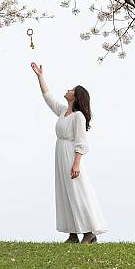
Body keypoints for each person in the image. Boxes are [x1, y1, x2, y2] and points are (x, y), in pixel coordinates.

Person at [31, 62, 108, 244]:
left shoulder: (78, 116)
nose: (67, 90)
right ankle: (73, 233)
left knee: (78, 191)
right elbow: (48, 97)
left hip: (71, 155)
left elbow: (81, 141)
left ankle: (89, 232)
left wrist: (76, 163)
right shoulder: (63, 112)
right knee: (64, 192)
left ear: (76, 96)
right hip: (60, 153)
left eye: (71, 89)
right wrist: (40, 76)